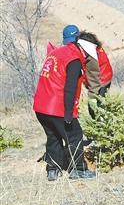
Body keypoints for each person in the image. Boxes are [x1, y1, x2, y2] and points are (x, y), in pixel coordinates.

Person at [32, 25, 96, 181]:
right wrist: (68, 113)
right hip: (57, 106)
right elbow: (70, 88)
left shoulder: (56, 53)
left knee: (53, 136)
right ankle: (78, 170)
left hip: (41, 106)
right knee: (75, 135)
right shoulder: (73, 59)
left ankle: (53, 170)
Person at [77, 31, 113, 103]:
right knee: (102, 102)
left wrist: (92, 95)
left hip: (100, 81)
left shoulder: (91, 55)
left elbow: (93, 75)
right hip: (106, 77)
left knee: (97, 106)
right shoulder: (96, 48)